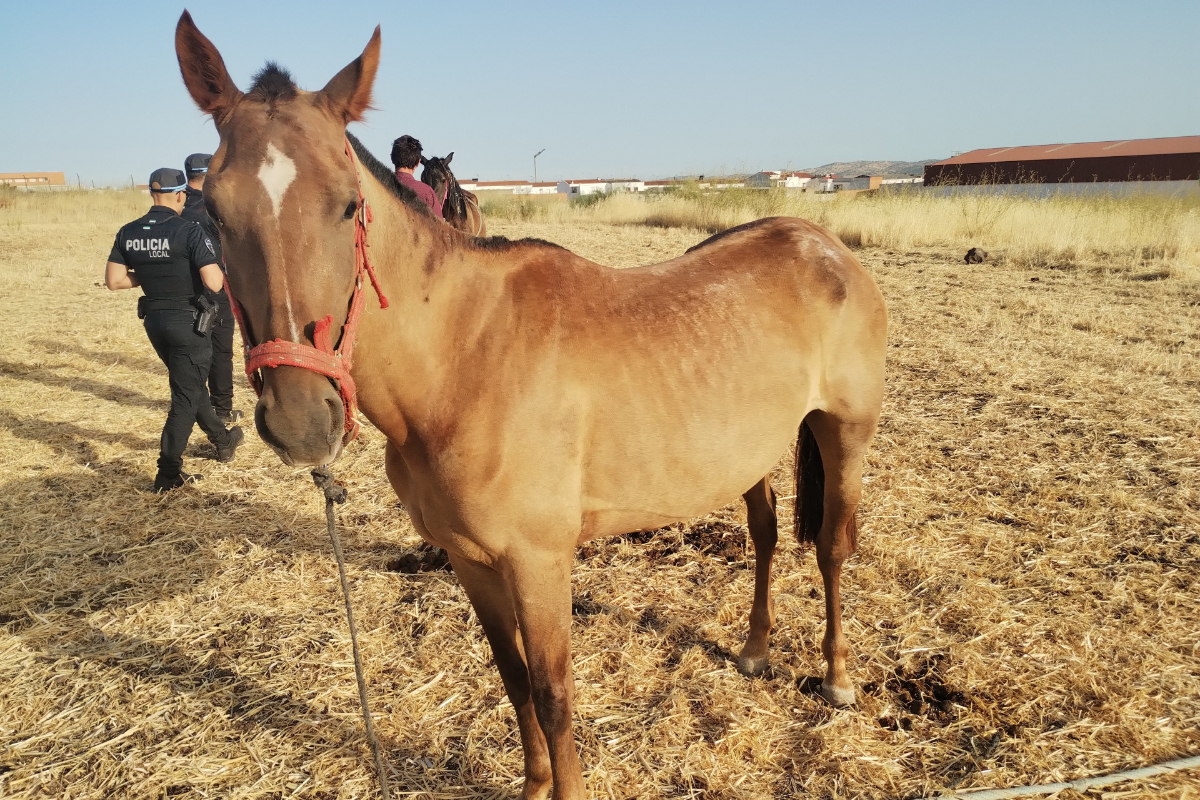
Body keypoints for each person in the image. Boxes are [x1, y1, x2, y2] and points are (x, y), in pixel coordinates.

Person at [105, 167, 245, 492]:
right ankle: (168, 475)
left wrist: (151, 274)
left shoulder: (129, 231)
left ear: (152, 194)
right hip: (189, 324)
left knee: (190, 385)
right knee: (184, 397)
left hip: (155, 322)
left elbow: (114, 281)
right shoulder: (189, 231)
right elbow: (213, 282)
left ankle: (223, 440)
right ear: (181, 194)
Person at [183, 152, 242, 424]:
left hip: (182, 290)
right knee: (220, 351)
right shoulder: (214, 208)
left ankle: (195, 405)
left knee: (192, 351)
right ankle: (222, 408)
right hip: (214, 288)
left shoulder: (177, 207)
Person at [390, 135, 443, 219]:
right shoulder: (426, 193)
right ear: (418, 162)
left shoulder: (378, 185)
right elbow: (440, 229)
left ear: (392, 158)